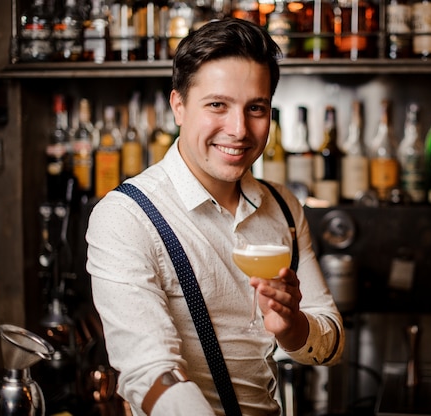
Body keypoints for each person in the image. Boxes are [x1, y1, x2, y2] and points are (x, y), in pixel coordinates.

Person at [86, 17, 345, 416]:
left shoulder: (284, 207)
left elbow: (331, 341)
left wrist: (293, 328)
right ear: (178, 106)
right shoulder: (125, 217)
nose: (239, 129)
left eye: (256, 108)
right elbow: (150, 371)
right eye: (217, 105)